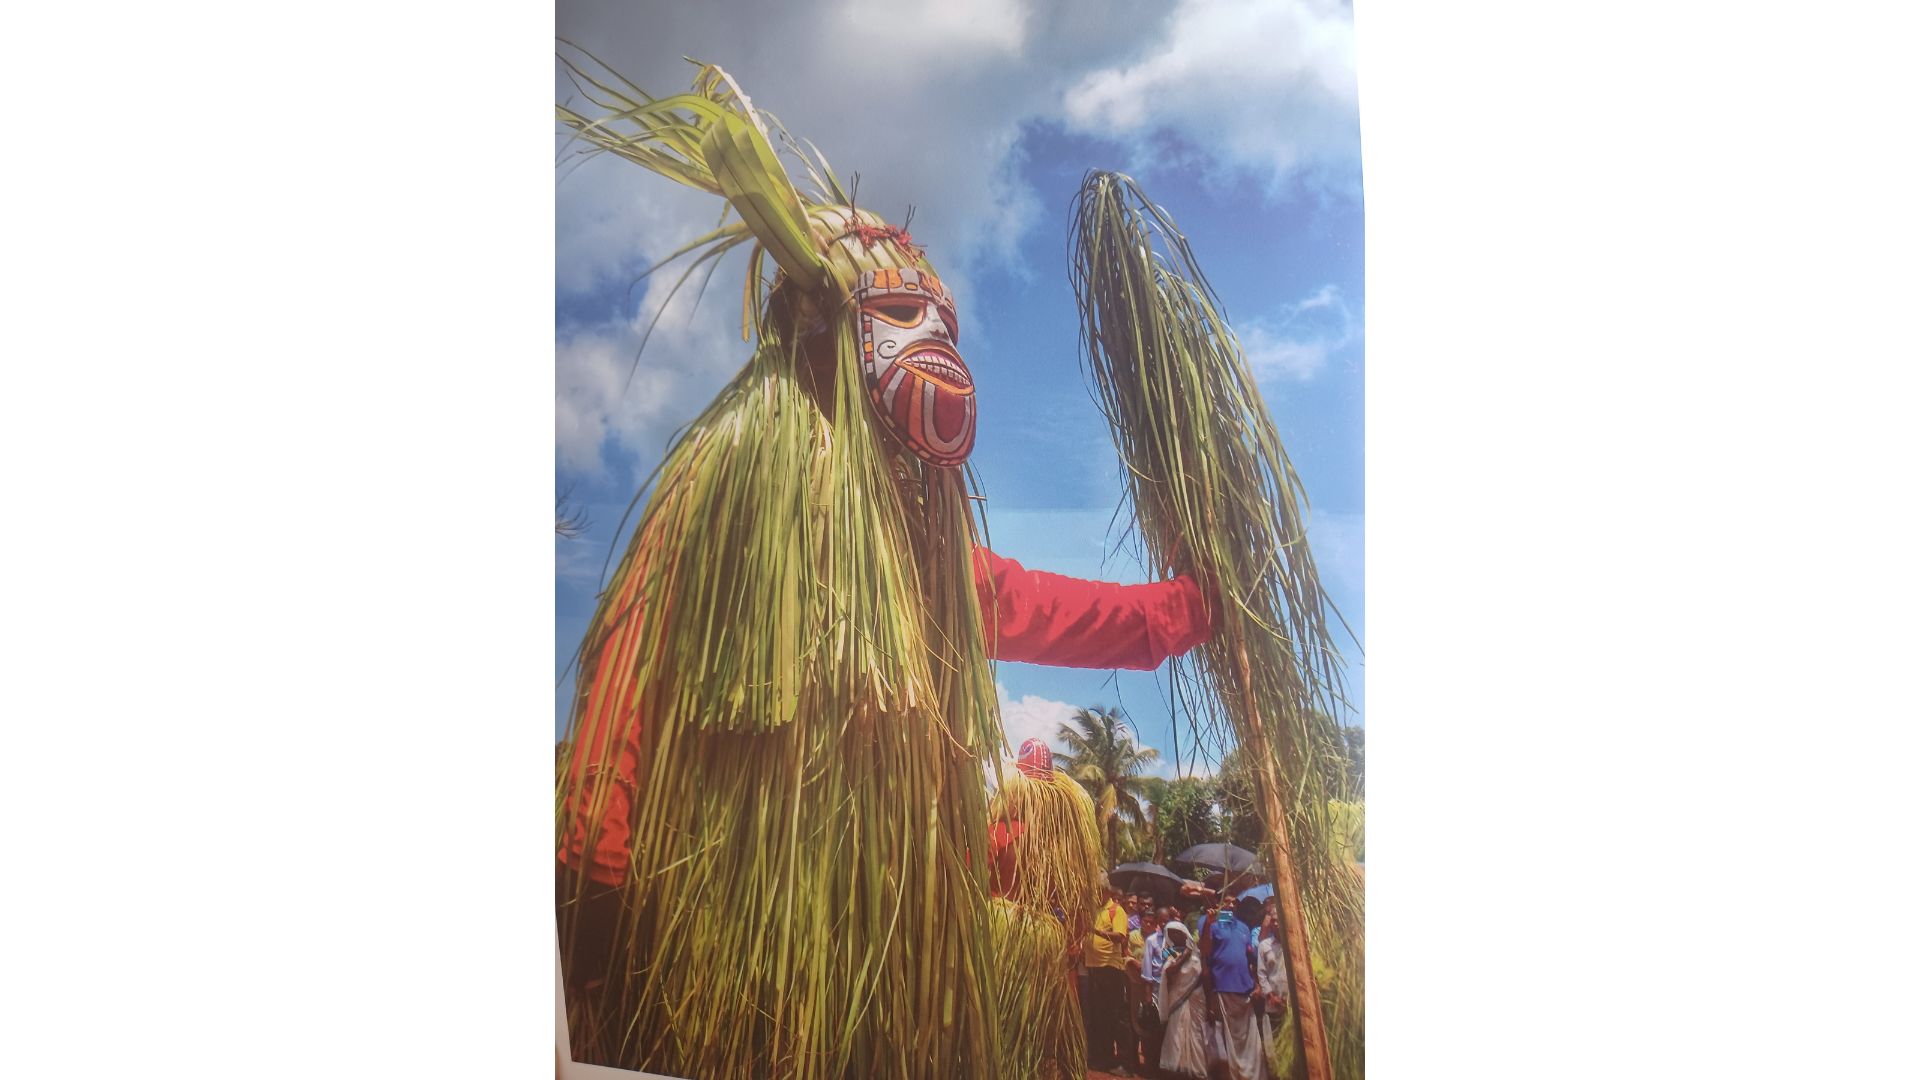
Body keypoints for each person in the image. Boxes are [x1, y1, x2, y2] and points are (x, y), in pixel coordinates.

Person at [1200, 895, 1265, 1080]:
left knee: (1249, 1041)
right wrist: (1208, 924)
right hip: (1223, 987)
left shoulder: (1243, 927)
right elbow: (1204, 951)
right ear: (1219, 904)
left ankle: (1251, 1076)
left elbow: (1250, 959)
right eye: (1226, 901)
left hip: (1245, 989)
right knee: (1228, 1041)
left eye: (1234, 902)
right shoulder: (1211, 923)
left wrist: (1257, 984)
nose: (1230, 905)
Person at [1085, 879, 1138, 1075]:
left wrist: (1096, 931)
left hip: (1111, 968)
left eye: (1099, 891)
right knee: (1100, 1015)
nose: (1096, 894)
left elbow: (1120, 937)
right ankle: (1104, 1058)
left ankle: (1127, 1062)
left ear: (1107, 891)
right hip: (1094, 967)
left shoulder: (1117, 911)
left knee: (1117, 1015)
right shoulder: (1095, 910)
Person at [1156, 920, 1209, 1079]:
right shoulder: (1168, 951)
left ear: (1185, 933)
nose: (1174, 935)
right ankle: (1177, 1067)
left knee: (1196, 1032)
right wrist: (1184, 955)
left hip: (1196, 996)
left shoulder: (1197, 950)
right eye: (1171, 933)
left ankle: (1197, 1068)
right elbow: (1169, 971)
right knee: (1177, 1030)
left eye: (1177, 932)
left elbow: (1204, 972)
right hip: (1178, 997)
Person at [1255, 906, 1290, 1050]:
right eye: (1273, 921)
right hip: (1274, 1002)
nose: (1276, 924)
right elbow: (1261, 974)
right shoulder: (1264, 946)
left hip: (1292, 1002)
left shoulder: (1293, 944)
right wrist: (1270, 996)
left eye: (1279, 920)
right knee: (1277, 1043)